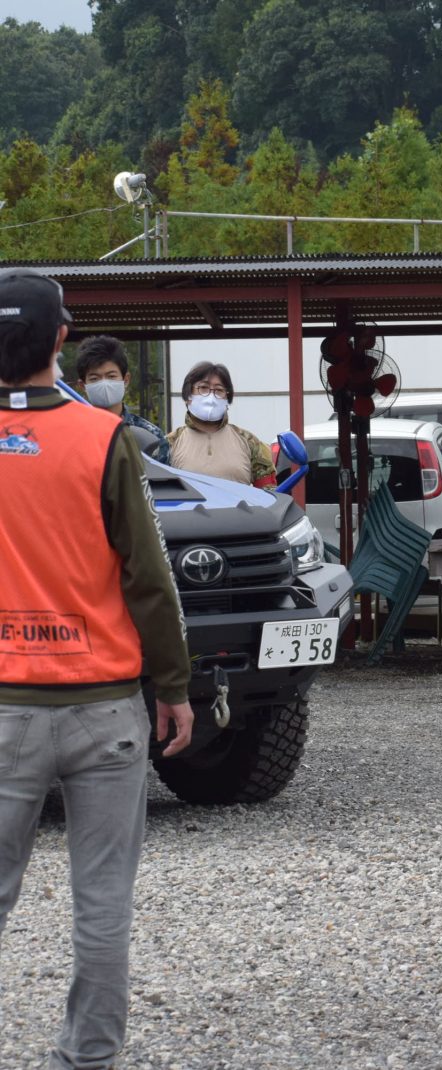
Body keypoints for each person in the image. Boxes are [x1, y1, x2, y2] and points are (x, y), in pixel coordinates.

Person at [0, 268, 194, 1069]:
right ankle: (87, 1060)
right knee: (103, 905)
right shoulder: (105, 438)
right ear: (61, 338)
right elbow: (149, 577)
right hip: (105, 708)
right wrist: (173, 685)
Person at [166, 361, 275, 487]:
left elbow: (269, 493)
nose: (211, 397)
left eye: (219, 390)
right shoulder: (169, 444)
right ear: (188, 396)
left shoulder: (250, 442)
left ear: (227, 399)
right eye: (203, 388)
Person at [73, 334, 171, 464]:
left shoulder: (150, 435)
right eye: (94, 378)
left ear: (126, 380)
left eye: (111, 376)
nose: (104, 384)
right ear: (82, 385)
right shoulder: (73, 434)